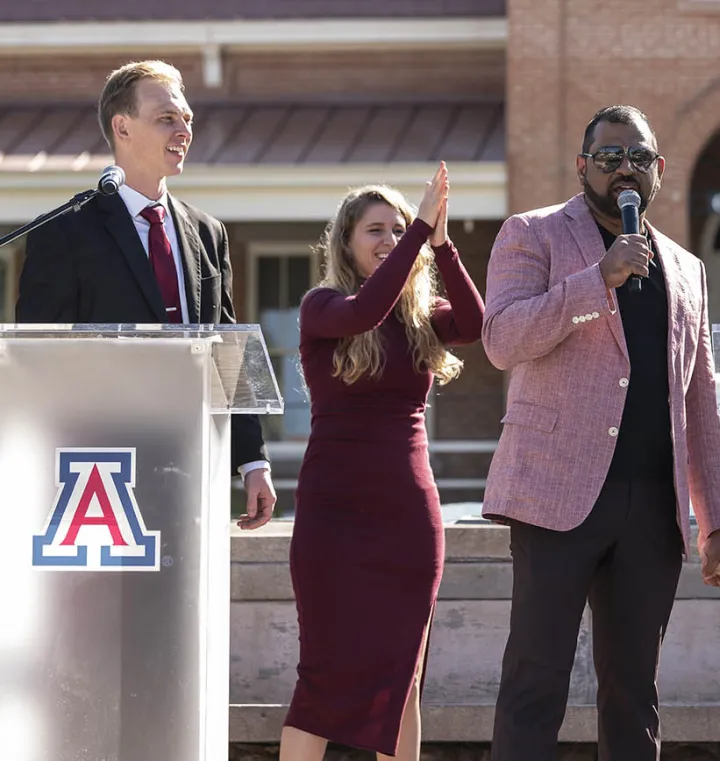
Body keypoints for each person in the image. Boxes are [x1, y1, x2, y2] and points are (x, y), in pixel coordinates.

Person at [480, 104, 720, 761]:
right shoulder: (531, 234)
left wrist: (719, 517)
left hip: (652, 508)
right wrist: (596, 280)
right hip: (554, 494)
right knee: (536, 680)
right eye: (609, 157)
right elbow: (503, 339)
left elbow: (700, 399)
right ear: (582, 166)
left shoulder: (686, 268)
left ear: (659, 170)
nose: (625, 168)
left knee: (634, 693)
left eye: (638, 158)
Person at [280, 162, 485, 761]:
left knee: (403, 676)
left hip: (406, 511)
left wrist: (441, 244)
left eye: (399, 230)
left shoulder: (419, 316)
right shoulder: (323, 306)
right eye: (376, 230)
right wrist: (421, 229)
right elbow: (364, 312)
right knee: (323, 673)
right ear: (346, 241)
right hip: (332, 512)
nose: (392, 239)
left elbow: (474, 324)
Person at [15, 59, 276, 526]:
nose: (183, 130)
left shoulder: (208, 232)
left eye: (186, 119)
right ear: (122, 127)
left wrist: (253, 461)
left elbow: (231, 354)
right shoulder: (65, 232)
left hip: (194, 461)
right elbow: (39, 360)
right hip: (96, 475)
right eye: (166, 118)